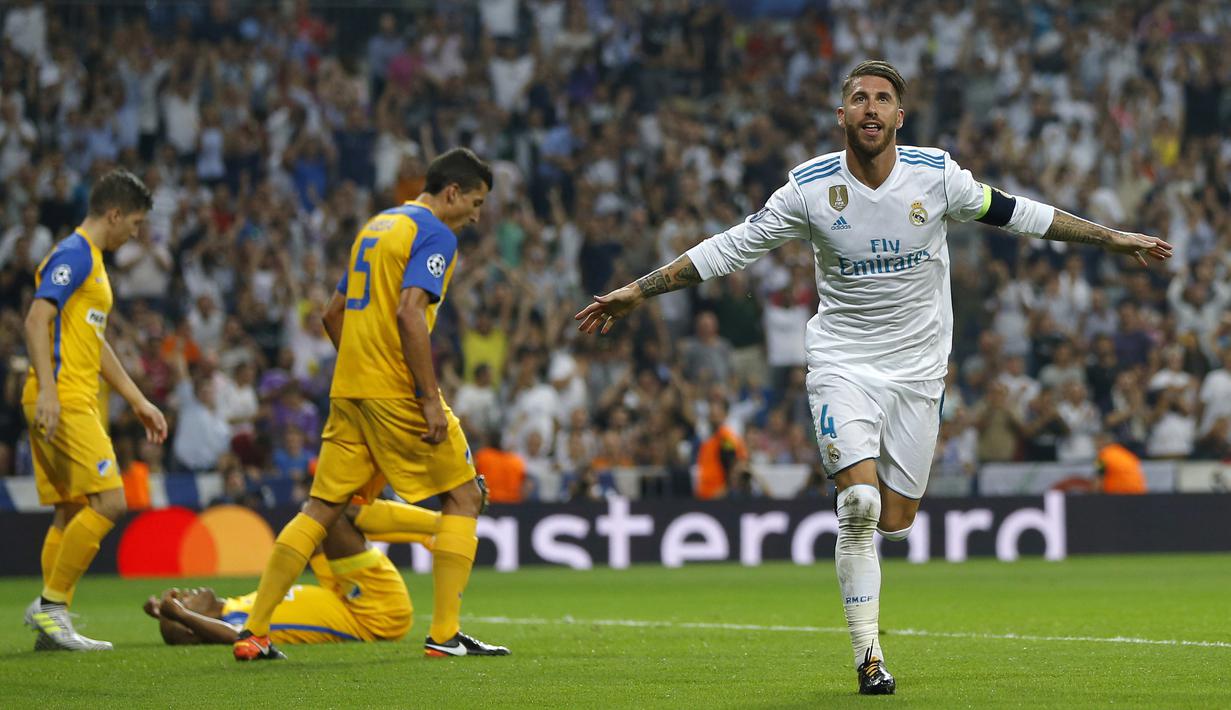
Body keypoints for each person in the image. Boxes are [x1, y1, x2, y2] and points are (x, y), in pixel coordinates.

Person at [574, 60, 1171, 695]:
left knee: (895, 519)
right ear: (842, 115)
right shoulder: (808, 190)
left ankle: (868, 559)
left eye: (883, 99)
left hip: (918, 371)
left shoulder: (937, 176)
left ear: (898, 117)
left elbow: (1020, 213)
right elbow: (732, 246)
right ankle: (869, 657)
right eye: (859, 97)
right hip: (842, 363)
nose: (870, 108)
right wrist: (638, 291)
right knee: (857, 506)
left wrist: (1109, 238)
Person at [232, 148, 509, 661]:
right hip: (396, 390)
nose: (476, 215)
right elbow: (409, 314)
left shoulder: (378, 225)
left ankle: (255, 631)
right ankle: (445, 636)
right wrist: (426, 398)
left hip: (349, 389)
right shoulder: (435, 234)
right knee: (466, 497)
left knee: (321, 507)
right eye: (475, 202)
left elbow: (332, 315)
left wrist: (362, 366)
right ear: (451, 192)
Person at [21, 170, 170, 651]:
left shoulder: (93, 262)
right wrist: (48, 391)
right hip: (64, 395)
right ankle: (52, 606)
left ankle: (51, 624)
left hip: (71, 394)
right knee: (110, 500)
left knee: (70, 510)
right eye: (136, 222)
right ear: (114, 214)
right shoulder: (74, 253)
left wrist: (137, 399)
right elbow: (36, 318)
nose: (137, 233)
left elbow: (93, 339)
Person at [144, 513, 414, 647]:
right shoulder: (237, 622)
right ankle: (434, 528)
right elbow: (238, 637)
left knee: (318, 513)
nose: (187, 593)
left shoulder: (237, 604)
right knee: (337, 511)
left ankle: (436, 530)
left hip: (344, 595)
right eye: (186, 600)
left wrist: (165, 614)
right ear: (193, 627)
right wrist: (179, 614)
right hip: (375, 615)